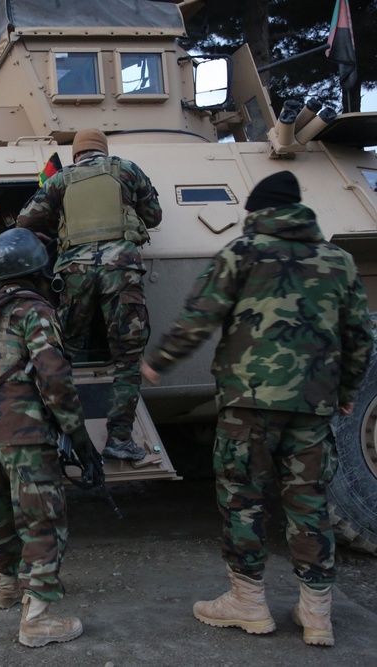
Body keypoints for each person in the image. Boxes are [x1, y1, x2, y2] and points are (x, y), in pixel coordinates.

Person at [140, 171, 373, 647]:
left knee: (243, 499)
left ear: (257, 212)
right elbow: (359, 336)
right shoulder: (337, 260)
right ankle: (317, 615)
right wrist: (346, 390)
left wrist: (158, 362)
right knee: (309, 504)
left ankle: (248, 603)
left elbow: (200, 316)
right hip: (312, 406)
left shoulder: (240, 255)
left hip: (249, 405)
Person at [0, 227, 103, 648]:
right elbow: (54, 378)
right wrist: (79, 437)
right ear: (40, 269)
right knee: (41, 519)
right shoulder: (34, 311)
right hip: (26, 437)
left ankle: (4, 586)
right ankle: (37, 618)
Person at [17, 128, 162, 462]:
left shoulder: (60, 180)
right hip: (121, 271)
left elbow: (25, 220)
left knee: (64, 352)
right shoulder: (126, 169)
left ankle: (56, 433)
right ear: (103, 149)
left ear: (76, 154)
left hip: (75, 272)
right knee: (127, 359)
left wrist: (59, 222)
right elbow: (153, 216)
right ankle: (120, 439)